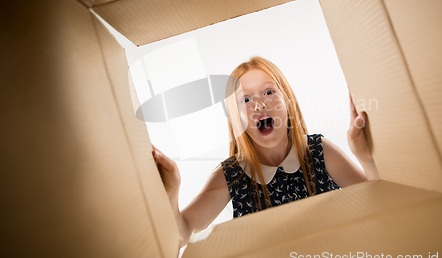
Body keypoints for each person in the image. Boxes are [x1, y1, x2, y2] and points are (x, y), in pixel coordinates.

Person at [152, 57, 379, 247]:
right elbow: (183, 236)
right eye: (246, 99)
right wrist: (172, 193)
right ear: (236, 118)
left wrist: (366, 159)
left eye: (268, 91)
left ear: (287, 101)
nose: (259, 105)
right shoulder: (231, 175)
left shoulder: (319, 151)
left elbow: (379, 202)